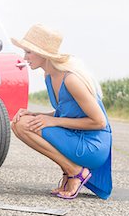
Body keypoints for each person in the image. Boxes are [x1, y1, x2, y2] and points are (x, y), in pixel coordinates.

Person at [10, 24, 112, 200]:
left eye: (28, 52)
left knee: (24, 125)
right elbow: (66, 112)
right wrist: (34, 114)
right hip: (75, 136)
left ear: (43, 54)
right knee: (19, 123)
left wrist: (54, 121)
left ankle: (75, 172)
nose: (25, 57)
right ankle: (70, 171)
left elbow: (99, 122)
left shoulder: (71, 79)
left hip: (93, 145)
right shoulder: (49, 76)